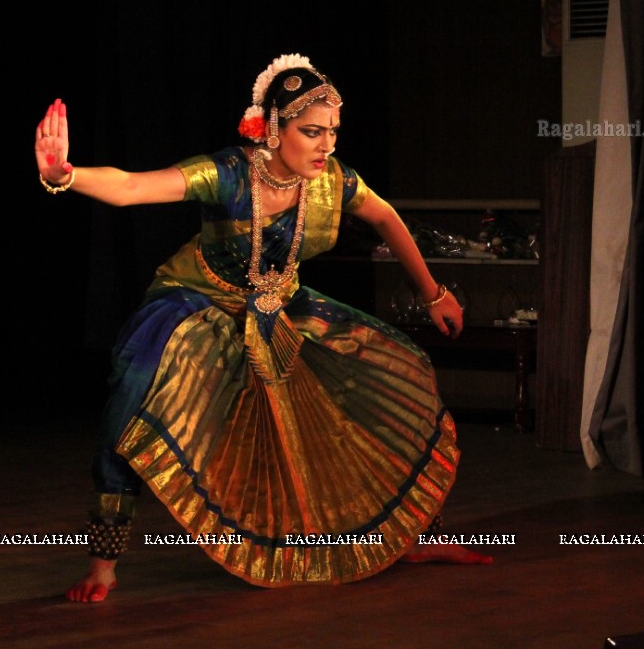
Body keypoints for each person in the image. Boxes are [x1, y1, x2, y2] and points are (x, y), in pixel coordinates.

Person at [36, 54, 489, 604]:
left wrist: (433, 293)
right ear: (272, 129)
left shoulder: (333, 182)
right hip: (197, 301)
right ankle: (103, 564)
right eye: (311, 132)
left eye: (333, 133)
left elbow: (386, 217)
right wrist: (65, 175)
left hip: (278, 304)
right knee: (131, 395)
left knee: (383, 373)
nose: (326, 146)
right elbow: (132, 188)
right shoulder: (227, 174)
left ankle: (410, 539)